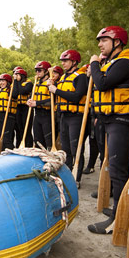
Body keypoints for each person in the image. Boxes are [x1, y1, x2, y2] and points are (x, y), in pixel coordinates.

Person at [87, 27, 129, 234]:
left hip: (122, 120)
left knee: (120, 171)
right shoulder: (111, 64)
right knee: (119, 168)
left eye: (104, 40)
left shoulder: (125, 63)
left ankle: (119, 219)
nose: (100, 44)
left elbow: (102, 84)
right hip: (111, 120)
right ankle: (124, 209)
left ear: (117, 42)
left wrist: (94, 64)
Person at [49, 49, 89, 187]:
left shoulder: (81, 77)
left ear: (74, 62)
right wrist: (52, 86)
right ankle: (67, 175)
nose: (63, 63)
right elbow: (58, 96)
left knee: (75, 148)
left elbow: (77, 97)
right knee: (65, 149)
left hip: (76, 117)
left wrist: (56, 90)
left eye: (65, 61)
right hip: (64, 117)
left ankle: (76, 178)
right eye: (62, 61)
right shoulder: (63, 77)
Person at [27, 61, 53, 149]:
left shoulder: (51, 83)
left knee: (48, 140)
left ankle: (49, 157)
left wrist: (37, 103)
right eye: (36, 70)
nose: (37, 72)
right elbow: (31, 96)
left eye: (39, 70)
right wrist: (29, 100)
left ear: (46, 71)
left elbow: (53, 100)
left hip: (47, 116)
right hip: (37, 115)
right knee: (37, 140)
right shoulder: (36, 84)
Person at [0, 73, 19, 151]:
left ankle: (12, 154)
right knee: (1, 137)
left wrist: (16, 80)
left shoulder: (11, 90)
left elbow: (15, 94)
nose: (1, 83)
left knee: (7, 138)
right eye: (0, 81)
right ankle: (3, 153)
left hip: (8, 116)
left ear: (8, 82)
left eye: (3, 81)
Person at [13, 67, 33, 147]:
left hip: (26, 108)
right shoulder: (16, 84)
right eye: (15, 75)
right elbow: (14, 94)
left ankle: (29, 145)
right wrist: (15, 81)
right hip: (19, 107)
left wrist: (17, 82)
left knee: (26, 129)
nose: (16, 76)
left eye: (18, 75)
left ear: (22, 76)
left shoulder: (29, 84)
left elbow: (22, 91)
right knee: (20, 128)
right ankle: (21, 145)